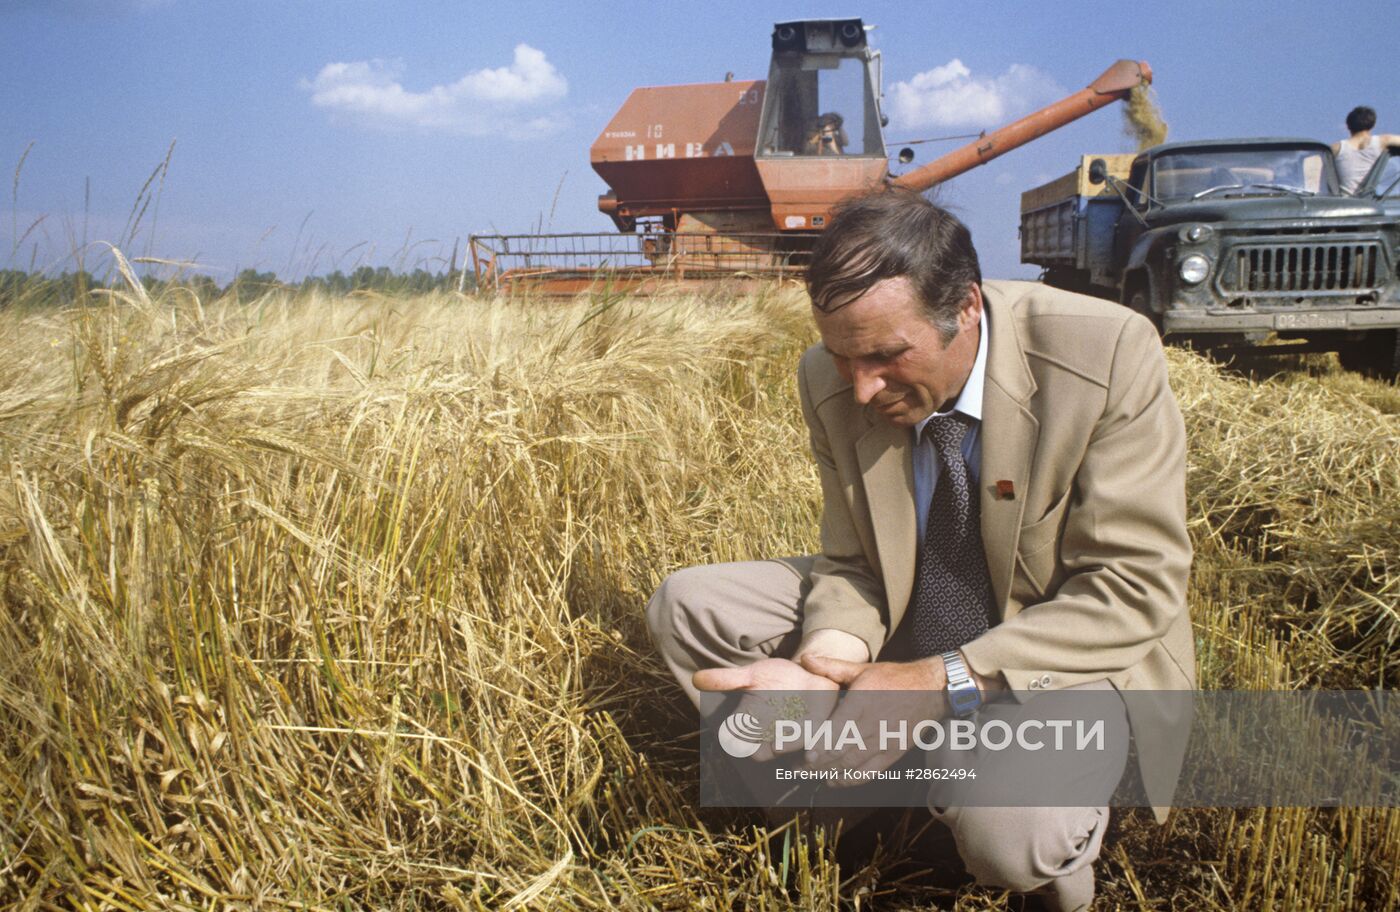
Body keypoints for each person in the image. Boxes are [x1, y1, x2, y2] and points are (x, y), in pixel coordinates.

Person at [645, 189, 1196, 911]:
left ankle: (1048, 863)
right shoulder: (829, 377)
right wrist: (826, 665)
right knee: (689, 607)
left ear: (966, 307)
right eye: (843, 357)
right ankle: (848, 811)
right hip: (916, 619)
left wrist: (944, 681)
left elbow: (1132, 588)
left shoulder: (1105, 352)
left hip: (1053, 654)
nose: (864, 387)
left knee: (1012, 832)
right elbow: (854, 562)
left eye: (886, 355)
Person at [1333, 106, 1400, 195]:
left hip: (1343, 204)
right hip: (1369, 203)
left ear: (1347, 125)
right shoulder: (1383, 141)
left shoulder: (1335, 148)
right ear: (1373, 125)